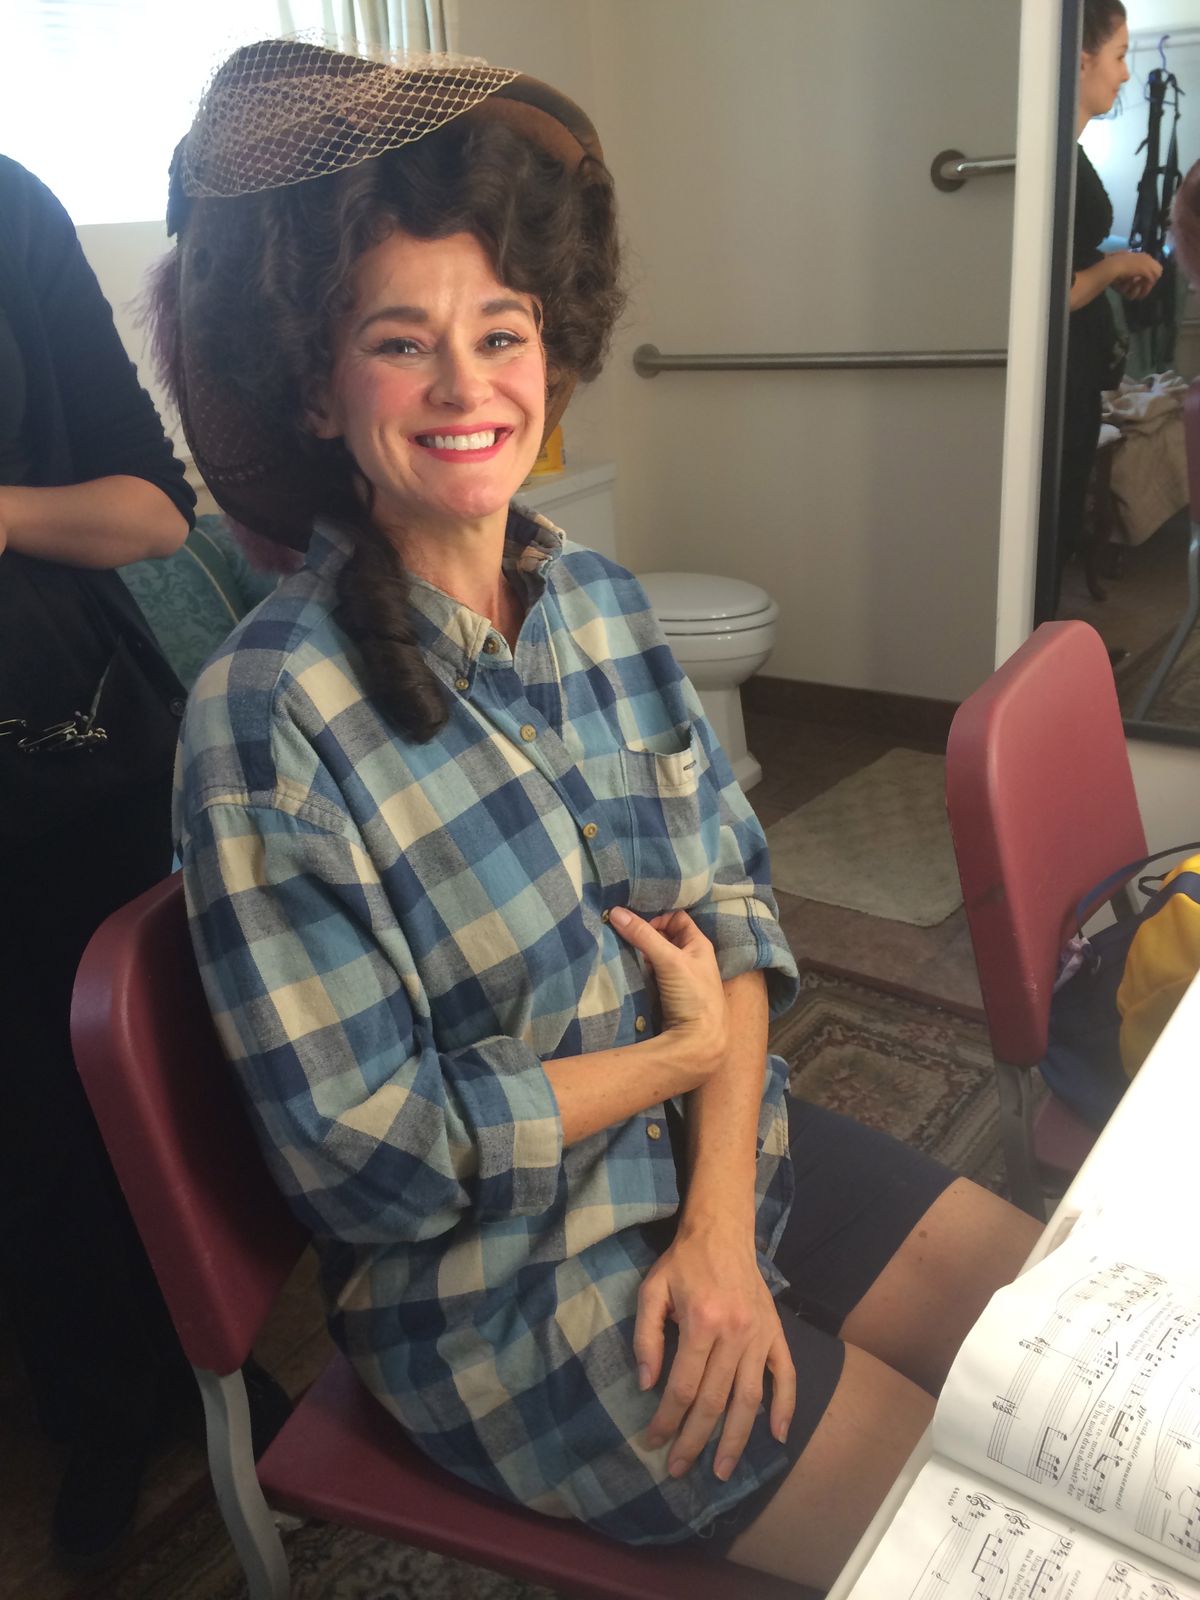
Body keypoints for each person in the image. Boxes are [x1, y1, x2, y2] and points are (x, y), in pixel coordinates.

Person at [162, 40, 1041, 1590]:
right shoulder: (268, 724)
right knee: (985, 1528)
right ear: (314, 383)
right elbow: (368, 1161)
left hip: (721, 1154)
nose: (465, 388)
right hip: (517, 1297)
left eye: (499, 331)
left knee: (1069, 1353)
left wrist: (719, 1217)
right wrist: (667, 1059)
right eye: (400, 342)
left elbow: (732, 917)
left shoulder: (602, 608)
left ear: (550, 349)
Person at [0, 153, 195, 1566]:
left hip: (64, 757)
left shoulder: (9, 211)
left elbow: (155, 509)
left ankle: (181, 1374)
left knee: (117, 1095)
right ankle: (91, 1399)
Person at [1057, 0, 1163, 607]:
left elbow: (1071, 262)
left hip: (1077, 374)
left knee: (1060, 521)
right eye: (1119, 56)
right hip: (1061, 374)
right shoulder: (1051, 159)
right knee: (1049, 528)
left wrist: (1106, 269)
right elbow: (1055, 294)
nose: (1125, 73)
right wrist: (1115, 267)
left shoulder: (1068, 152)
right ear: (1081, 59)